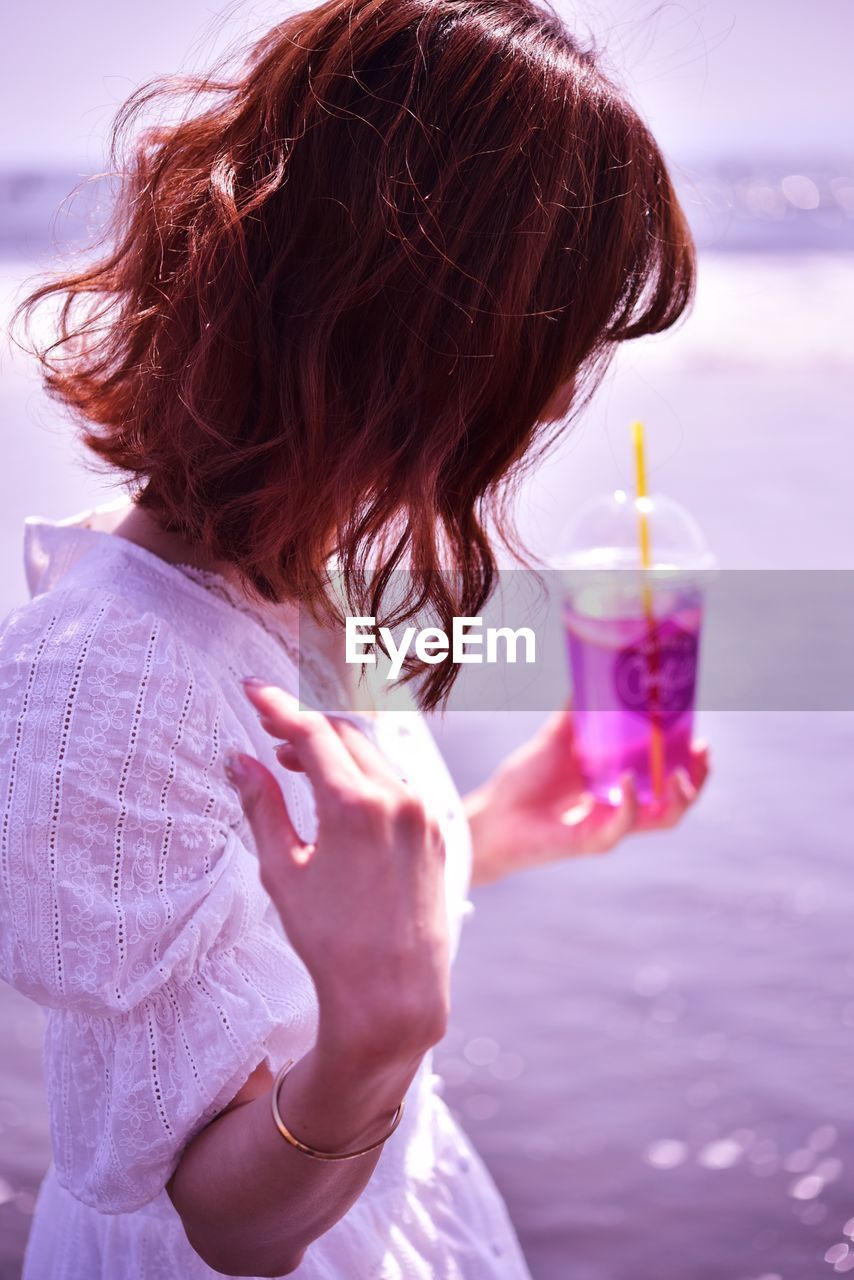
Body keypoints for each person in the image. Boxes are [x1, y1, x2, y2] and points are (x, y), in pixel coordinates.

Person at [0, 0, 709, 1275]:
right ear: (418, 321)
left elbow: (268, 936)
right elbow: (216, 1217)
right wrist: (377, 1043)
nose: (557, 394)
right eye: (560, 333)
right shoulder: (108, 678)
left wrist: (491, 827)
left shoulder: (289, 562)